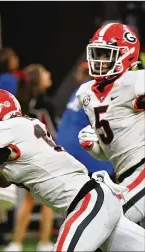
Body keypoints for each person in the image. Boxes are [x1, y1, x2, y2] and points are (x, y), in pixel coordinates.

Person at [0, 88, 145, 251]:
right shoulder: (21, 130)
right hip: (98, 200)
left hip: (88, 204)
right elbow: (3, 180)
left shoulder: (5, 130)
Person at [77, 23, 145, 224]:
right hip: (124, 173)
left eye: (106, 54)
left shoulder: (134, 81)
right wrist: (93, 147)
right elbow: (109, 152)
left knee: (107, 225)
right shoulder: (86, 93)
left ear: (127, 55)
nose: (100, 60)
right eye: (97, 53)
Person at [4, 64, 56, 252]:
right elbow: (52, 130)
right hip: (45, 154)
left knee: (27, 199)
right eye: (45, 72)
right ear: (37, 79)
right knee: (47, 201)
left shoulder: (21, 102)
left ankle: (16, 243)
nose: (49, 74)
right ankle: (43, 242)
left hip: (26, 154)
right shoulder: (44, 102)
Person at [57, 62, 114, 178]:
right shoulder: (97, 90)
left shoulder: (80, 90)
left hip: (63, 150)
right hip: (83, 155)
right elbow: (102, 127)